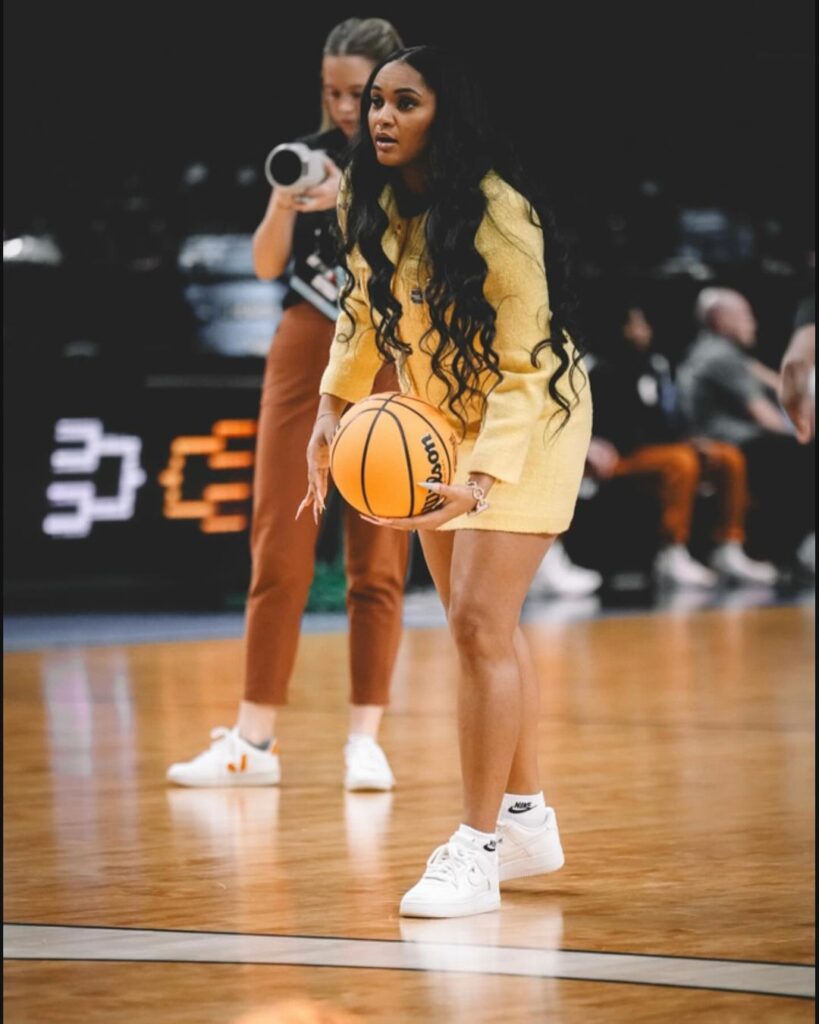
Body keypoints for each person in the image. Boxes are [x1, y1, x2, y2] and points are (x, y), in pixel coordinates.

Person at [300, 46, 593, 918]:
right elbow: (359, 311)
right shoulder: (370, 198)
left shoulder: (501, 217)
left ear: (447, 117)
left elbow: (527, 366)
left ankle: (475, 848)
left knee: (474, 622)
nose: (381, 117)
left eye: (405, 103)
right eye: (376, 103)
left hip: (528, 418)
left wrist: (484, 480)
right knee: (483, 632)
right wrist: (330, 406)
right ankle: (527, 818)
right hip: (435, 419)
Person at [167, 18, 409, 792]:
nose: (343, 107)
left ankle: (365, 737)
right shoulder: (305, 155)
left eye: (358, 92)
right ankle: (253, 741)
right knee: (279, 540)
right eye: (330, 91)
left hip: (386, 349)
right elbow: (268, 263)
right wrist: (282, 203)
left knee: (379, 551)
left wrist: (355, 195)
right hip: (305, 339)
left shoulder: (417, 158)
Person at [587, 305, 777, 586]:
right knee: (682, 462)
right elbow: (607, 423)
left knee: (727, 457)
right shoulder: (602, 368)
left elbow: (667, 417)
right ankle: (672, 552)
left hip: (661, 448)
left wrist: (691, 440)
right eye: (635, 325)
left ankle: (729, 546)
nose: (643, 331)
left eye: (644, 325)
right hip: (620, 454)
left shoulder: (656, 364)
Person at [676, 288, 814, 573]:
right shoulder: (722, 356)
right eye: (745, 316)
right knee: (800, 451)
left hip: (721, 439)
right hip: (725, 443)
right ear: (720, 320)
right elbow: (765, 417)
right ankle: (803, 548)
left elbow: (778, 384)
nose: (754, 324)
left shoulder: (713, 351)